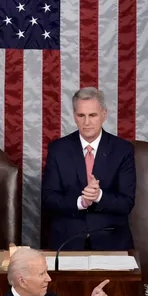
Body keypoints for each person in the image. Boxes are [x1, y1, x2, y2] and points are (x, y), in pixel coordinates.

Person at [41, 88, 136, 251]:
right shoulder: (58, 149)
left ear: (104, 115)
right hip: (67, 241)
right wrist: (81, 202)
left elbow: (126, 203)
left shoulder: (123, 150)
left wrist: (99, 196)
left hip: (111, 241)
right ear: (74, 116)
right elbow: (49, 199)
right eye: (81, 116)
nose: (87, 122)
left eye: (92, 115)